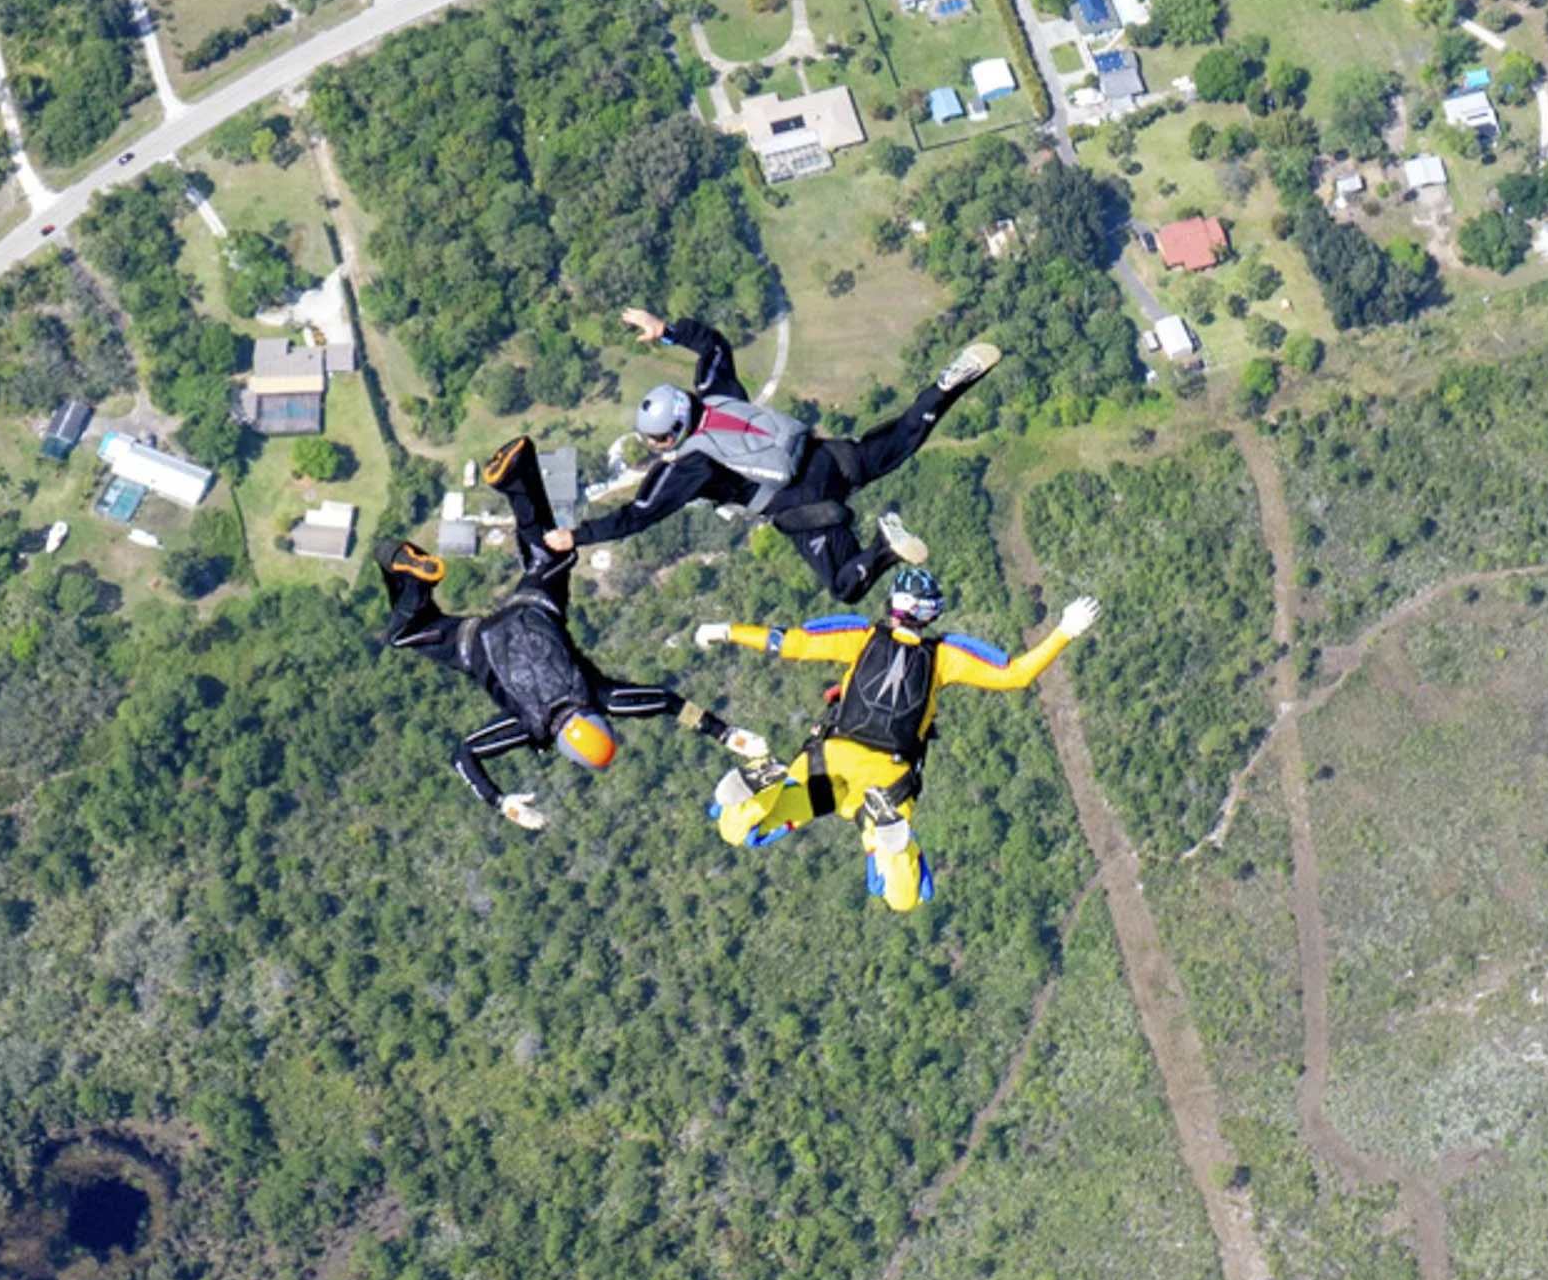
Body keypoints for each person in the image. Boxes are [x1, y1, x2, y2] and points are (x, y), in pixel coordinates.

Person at [378, 435, 765, 828]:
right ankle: (408, 575)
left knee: (550, 553)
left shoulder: (598, 697)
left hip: (533, 608)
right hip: (476, 644)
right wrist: (501, 802)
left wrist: (726, 733)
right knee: (407, 631)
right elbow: (465, 755)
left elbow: (667, 702)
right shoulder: (529, 725)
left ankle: (516, 476)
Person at [697, 568, 1099, 912]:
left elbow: (789, 643)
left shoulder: (862, 636)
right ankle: (893, 841)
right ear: (932, 612)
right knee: (902, 897)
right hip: (886, 782)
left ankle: (762, 776)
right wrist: (1065, 631)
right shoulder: (943, 657)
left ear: (893, 603)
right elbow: (1015, 675)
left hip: (827, 762)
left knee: (737, 830)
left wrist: (727, 631)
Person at [545, 308, 1002, 604]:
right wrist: (666, 331)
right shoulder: (717, 392)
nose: (655, 447)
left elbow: (637, 515)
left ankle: (885, 545)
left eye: (658, 440)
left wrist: (577, 536)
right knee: (902, 436)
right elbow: (713, 345)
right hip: (829, 458)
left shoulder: (689, 465)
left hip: (804, 505)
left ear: (673, 434)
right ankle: (947, 386)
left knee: (846, 586)